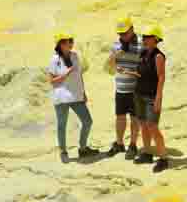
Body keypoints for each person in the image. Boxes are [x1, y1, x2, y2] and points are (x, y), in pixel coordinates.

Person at [47, 32, 99, 163]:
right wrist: (65, 74)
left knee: (87, 121)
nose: (71, 43)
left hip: (76, 95)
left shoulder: (75, 56)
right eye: (68, 41)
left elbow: (79, 75)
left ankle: (82, 148)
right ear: (61, 44)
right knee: (61, 125)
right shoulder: (54, 59)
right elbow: (52, 81)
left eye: (72, 40)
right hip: (61, 97)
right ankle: (63, 151)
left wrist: (83, 92)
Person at [104, 17, 143, 159]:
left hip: (136, 89)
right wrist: (115, 56)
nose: (122, 36)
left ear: (132, 29)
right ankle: (119, 144)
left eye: (124, 33)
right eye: (120, 34)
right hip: (120, 88)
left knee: (134, 118)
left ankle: (133, 145)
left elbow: (145, 65)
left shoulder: (141, 44)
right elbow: (108, 68)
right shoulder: (116, 45)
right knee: (120, 117)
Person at [133, 25, 169, 173]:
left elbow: (161, 77)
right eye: (144, 37)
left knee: (152, 126)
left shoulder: (158, 56)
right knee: (143, 124)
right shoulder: (142, 54)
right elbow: (141, 73)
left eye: (147, 38)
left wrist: (158, 98)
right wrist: (129, 72)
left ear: (155, 39)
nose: (144, 40)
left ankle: (163, 158)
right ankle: (148, 153)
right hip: (139, 94)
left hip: (151, 96)